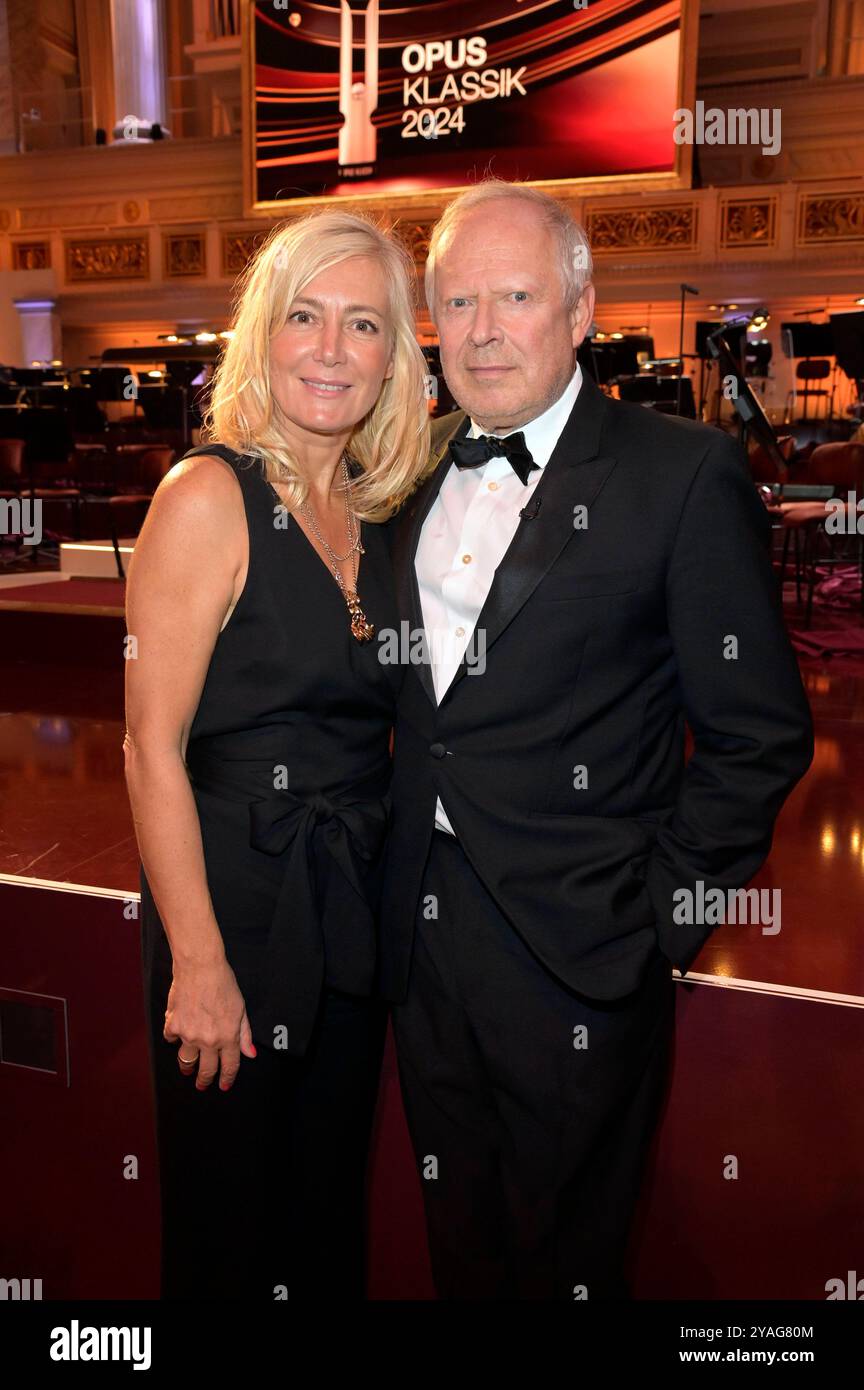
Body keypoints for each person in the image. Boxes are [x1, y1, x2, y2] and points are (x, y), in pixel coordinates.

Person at [380, 178, 814, 1300]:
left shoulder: (680, 474)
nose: (482, 330)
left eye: (514, 296)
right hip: (419, 929)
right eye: (459, 302)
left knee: (569, 1257)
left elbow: (758, 735)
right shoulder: (405, 468)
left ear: (578, 311)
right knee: (459, 1237)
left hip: (581, 947)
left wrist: (658, 926)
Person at [124, 209, 429, 1299]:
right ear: (266, 333)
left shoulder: (380, 512)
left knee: (320, 1216)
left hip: (347, 908)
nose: (332, 351)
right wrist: (199, 964)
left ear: (396, 356)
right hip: (235, 915)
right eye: (305, 317)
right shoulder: (207, 496)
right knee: (229, 1232)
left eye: (363, 324)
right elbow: (149, 747)